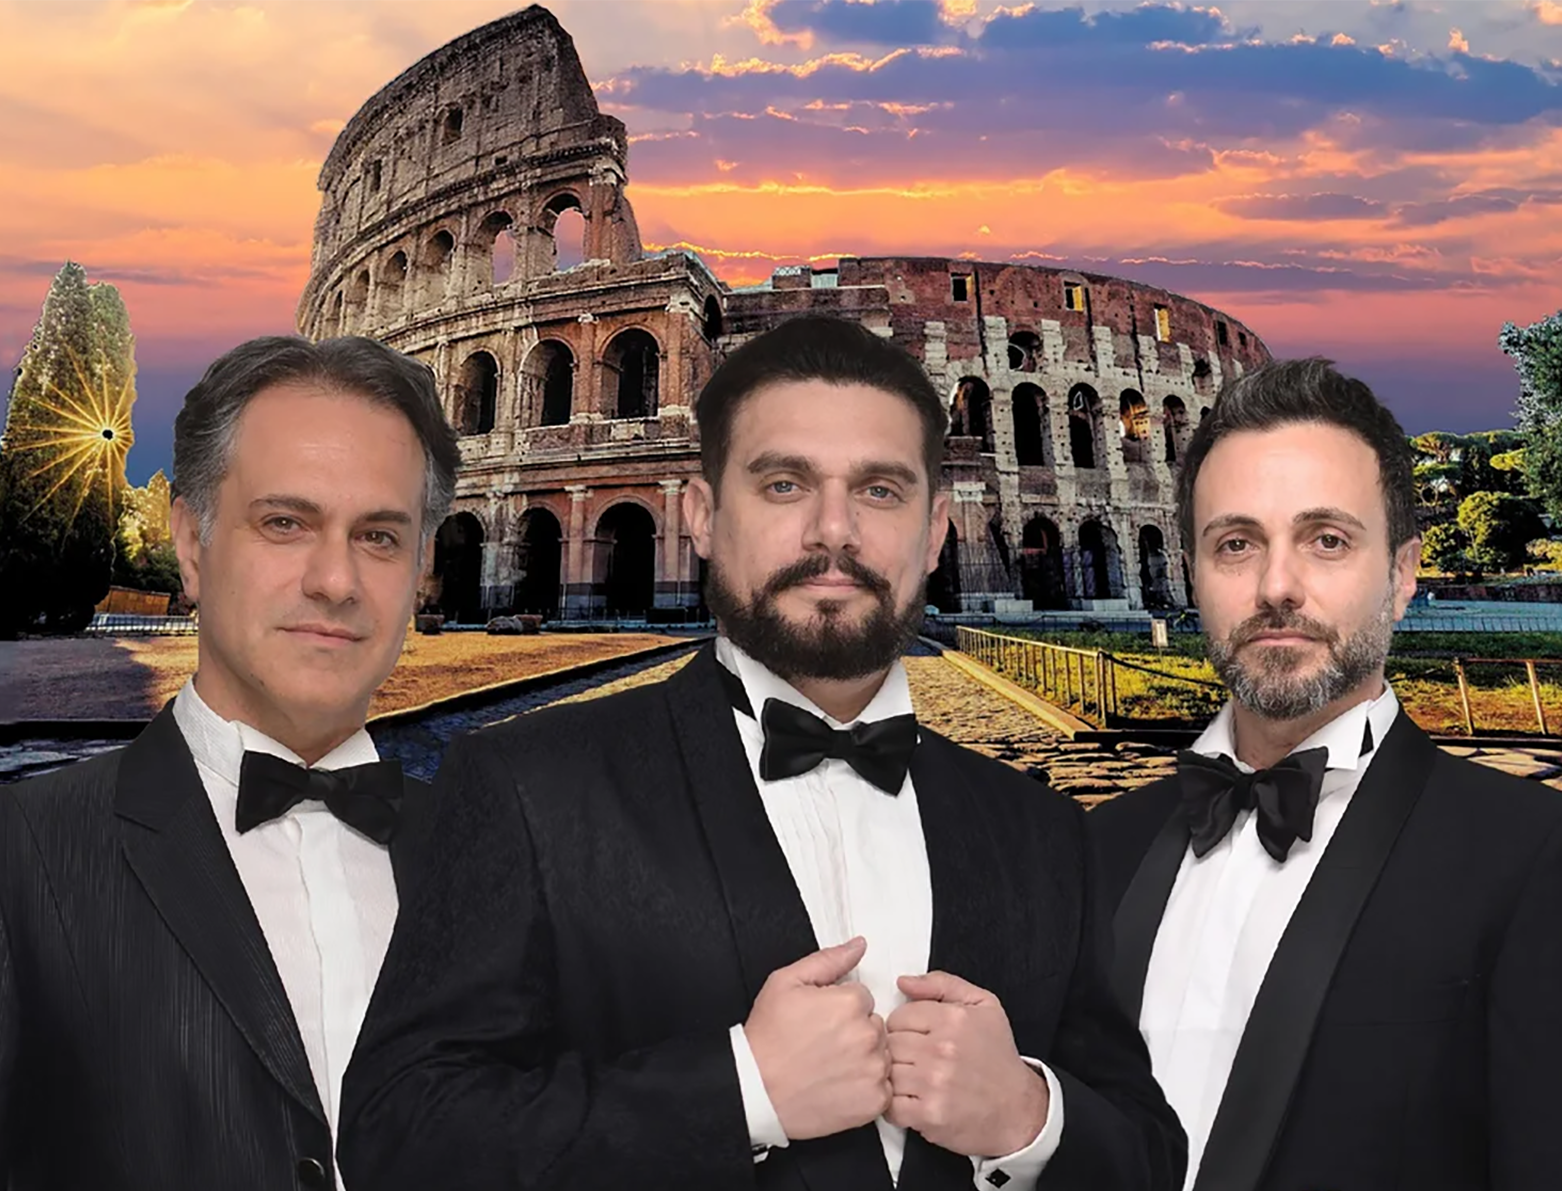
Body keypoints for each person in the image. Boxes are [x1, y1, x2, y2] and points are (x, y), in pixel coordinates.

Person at [339, 315, 1185, 1190]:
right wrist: (741, 1091)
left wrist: (1028, 1117)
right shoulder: (527, 787)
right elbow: (398, 1138)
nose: (834, 530)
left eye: (882, 491)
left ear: (937, 530)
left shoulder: (1042, 828)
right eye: (784, 484)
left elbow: (1151, 1153)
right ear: (702, 514)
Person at [1089, 359, 1562, 1191]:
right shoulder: (1100, 847)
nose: (1276, 586)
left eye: (1327, 539)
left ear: (1401, 574)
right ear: (1194, 570)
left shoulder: (1541, 858)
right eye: (1237, 543)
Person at [0, 335, 461, 1189]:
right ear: (191, 540)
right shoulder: (21, 855)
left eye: (381, 536)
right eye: (285, 522)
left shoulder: (493, 860)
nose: (335, 579)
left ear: (422, 569)